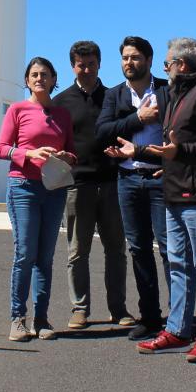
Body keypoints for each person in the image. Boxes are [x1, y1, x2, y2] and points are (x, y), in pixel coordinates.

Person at [117, 38, 196, 364]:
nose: (165, 69)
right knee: (179, 264)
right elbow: (171, 148)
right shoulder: (180, 94)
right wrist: (139, 153)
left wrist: (179, 153)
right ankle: (178, 330)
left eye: (167, 64)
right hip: (174, 191)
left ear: (181, 65)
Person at [0, 56, 77, 343]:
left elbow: (72, 151)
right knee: (25, 254)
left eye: (45, 74)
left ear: (54, 79)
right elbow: (1, 148)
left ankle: (41, 319)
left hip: (54, 188)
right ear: (27, 80)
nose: (39, 78)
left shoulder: (63, 115)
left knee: (45, 257)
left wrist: (67, 157)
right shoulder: (17, 110)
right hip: (23, 187)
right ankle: (18, 319)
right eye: (34, 74)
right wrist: (28, 154)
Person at [52, 40, 132, 330]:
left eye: (91, 64)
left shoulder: (114, 98)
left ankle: (118, 308)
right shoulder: (61, 102)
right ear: (72, 66)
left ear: (99, 64)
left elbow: (125, 132)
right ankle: (80, 309)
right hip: (77, 186)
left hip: (112, 183)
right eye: (80, 64)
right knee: (77, 252)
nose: (85, 69)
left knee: (116, 250)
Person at [98, 36, 171, 341]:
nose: (129, 62)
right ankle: (151, 317)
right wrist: (136, 119)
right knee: (139, 249)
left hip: (160, 179)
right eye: (125, 57)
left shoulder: (167, 90)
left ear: (150, 61)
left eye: (136, 57)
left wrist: (175, 163)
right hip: (127, 180)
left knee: (170, 250)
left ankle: (179, 317)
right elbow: (102, 132)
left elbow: (182, 129)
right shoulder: (115, 95)